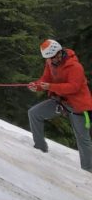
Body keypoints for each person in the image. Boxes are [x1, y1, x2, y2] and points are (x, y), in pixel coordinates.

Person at [28, 38, 92, 172]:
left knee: (83, 139)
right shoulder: (50, 63)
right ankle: (40, 148)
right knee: (34, 113)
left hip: (78, 106)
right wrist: (37, 86)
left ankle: (88, 171)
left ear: (59, 53)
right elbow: (45, 79)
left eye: (52, 57)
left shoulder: (75, 67)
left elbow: (73, 87)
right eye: (48, 58)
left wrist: (51, 86)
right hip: (61, 101)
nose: (50, 61)